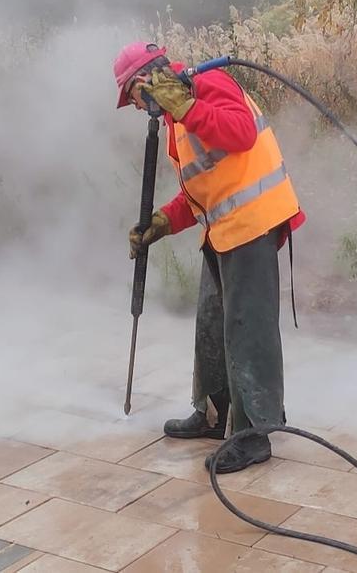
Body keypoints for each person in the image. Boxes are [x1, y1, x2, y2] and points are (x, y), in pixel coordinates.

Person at [112, 41, 306, 472]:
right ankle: (215, 415)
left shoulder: (207, 84)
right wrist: (161, 222)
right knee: (211, 323)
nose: (141, 107)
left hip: (254, 222)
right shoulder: (180, 116)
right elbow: (199, 190)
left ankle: (254, 434)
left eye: (135, 97)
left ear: (146, 80)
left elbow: (240, 133)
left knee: (247, 328)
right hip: (223, 229)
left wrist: (184, 106)